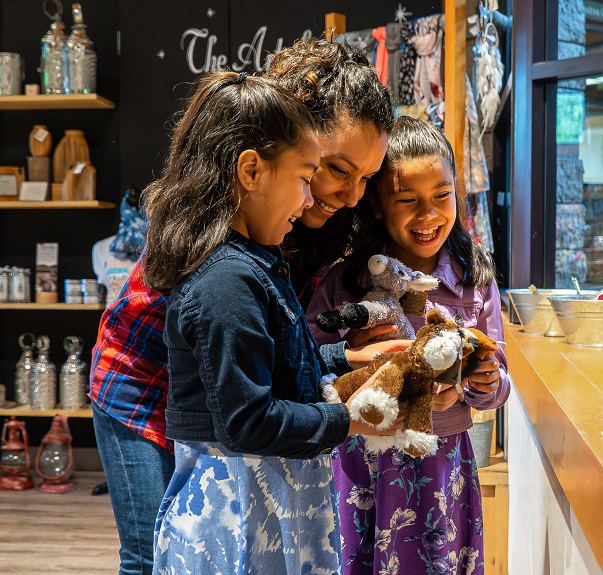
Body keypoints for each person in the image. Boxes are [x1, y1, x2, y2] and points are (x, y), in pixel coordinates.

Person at [90, 37, 396, 575]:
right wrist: (347, 418)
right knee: (153, 555)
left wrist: (347, 360)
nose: (350, 196)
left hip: (223, 402)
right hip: (144, 382)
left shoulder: (281, 222)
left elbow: (273, 347)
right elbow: (245, 415)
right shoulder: (224, 261)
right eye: (331, 170)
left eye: (366, 178)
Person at [306, 116, 512, 575]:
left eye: (442, 196)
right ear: (377, 205)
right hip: (362, 460)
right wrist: (354, 357)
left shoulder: (474, 279)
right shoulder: (348, 282)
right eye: (407, 201)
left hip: (444, 463)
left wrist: (480, 383)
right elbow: (308, 361)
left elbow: (498, 381)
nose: (429, 215)